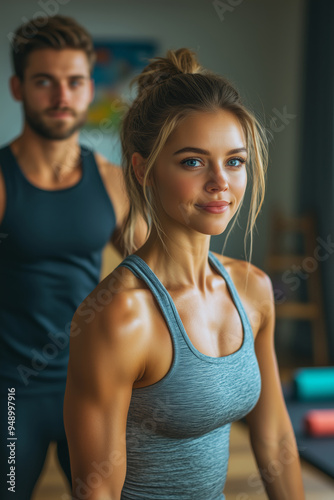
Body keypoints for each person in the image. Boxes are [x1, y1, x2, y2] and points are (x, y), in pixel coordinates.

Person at [64, 49, 305, 499]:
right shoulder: (118, 317)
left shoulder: (253, 289)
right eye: (193, 162)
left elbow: (275, 438)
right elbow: (95, 492)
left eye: (234, 161)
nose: (220, 182)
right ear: (143, 171)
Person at [0, 15, 146, 500]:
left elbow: (154, 275)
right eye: (45, 81)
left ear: (89, 89)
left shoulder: (110, 180)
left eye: (75, 82)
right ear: (18, 88)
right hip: (13, 394)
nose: (62, 96)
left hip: (92, 384)